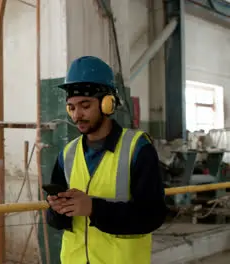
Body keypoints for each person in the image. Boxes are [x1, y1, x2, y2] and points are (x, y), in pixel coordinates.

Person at [45, 56, 168, 264]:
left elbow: (152, 216)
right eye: (72, 107)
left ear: (107, 104)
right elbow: (55, 220)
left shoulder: (138, 149)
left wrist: (94, 208)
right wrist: (57, 211)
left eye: (85, 105)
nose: (77, 116)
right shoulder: (68, 154)